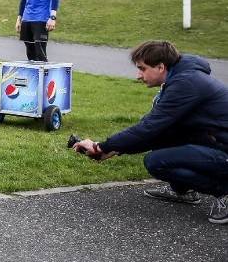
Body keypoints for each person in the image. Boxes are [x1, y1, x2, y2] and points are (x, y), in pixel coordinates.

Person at [72, 40, 228, 225]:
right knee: (169, 145)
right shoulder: (182, 78)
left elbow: (148, 128)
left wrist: (101, 147)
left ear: (160, 66)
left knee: (156, 162)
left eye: (142, 68)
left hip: (222, 148)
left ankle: (222, 190)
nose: (138, 75)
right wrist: (113, 149)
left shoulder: (186, 84)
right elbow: (161, 132)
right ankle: (183, 190)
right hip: (213, 142)